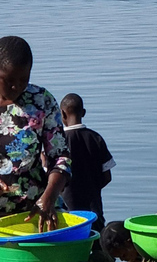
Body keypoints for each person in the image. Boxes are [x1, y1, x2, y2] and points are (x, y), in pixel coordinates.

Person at [0, 36, 71, 232]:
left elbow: (61, 158)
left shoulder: (41, 101)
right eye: (9, 80)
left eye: (24, 79)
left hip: (34, 211)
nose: (17, 87)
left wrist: (49, 196)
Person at [60, 93, 116, 233]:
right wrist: (91, 188)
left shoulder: (57, 141)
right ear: (83, 112)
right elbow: (107, 177)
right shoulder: (96, 138)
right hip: (94, 209)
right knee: (97, 243)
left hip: (67, 213)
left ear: (62, 113)